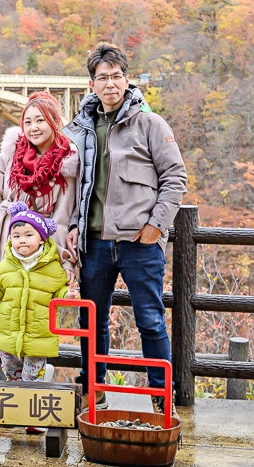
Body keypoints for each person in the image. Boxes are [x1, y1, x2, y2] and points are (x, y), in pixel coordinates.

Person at [63, 42, 187, 415]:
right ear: (92, 84)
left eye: (117, 76)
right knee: (92, 321)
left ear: (127, 80)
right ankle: (94, 389)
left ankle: (161, 395)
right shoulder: (80, 129)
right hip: (94, 242)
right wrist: (73, 225)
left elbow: (175, 176)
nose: (110, 84)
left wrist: (155, 226)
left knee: (149, 319)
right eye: (103, 78)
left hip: (138, 241)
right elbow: (75, 185)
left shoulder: (149, 123)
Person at [0, 91, 78, 329]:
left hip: (42, 249)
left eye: (40, 120)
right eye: (27, 122)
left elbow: (63, 216)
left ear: (55, 122)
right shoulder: (13, 153)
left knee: (32, 316)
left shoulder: (68, 162)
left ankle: (33, 366)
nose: (33, 128)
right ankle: (17, 367)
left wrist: (66, 262)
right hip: (10, 243)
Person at [0, 202, 79, 433]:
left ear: (41, 239)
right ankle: (16, 406)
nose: (22, 240)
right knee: (11, 370)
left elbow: (58, 291)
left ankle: (35, 416)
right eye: (16, 235)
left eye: (28, 235)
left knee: (32, 375)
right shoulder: (6, 263)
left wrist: (67, 294)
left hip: (38, 331)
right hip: (8, 330)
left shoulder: (52, 267)